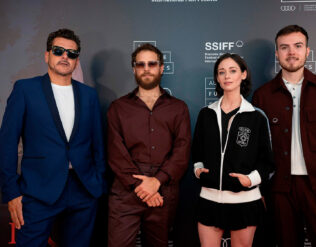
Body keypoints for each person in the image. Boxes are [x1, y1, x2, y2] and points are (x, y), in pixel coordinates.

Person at [0, 28, 105, 246]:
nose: (65, 56)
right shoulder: (25, 89)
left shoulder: (89, 96)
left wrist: (98, 182)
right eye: (59, 51)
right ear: (47, 55)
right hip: (37, 190)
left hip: (83, 189)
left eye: (71, 53)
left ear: (76, 61)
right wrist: (11, 193)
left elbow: (98, 144)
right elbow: (7, 143)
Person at [252, 25, 316, 247]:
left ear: (307, 51)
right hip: (280, 190)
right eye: (284, 47)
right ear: (277, 54)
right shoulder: (263, 96)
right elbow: (255, 148)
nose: (291, 52)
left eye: (298, 46)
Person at [107, 43, 191, 247]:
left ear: (161, 68)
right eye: (141, 64)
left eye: (152, 64)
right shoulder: (118, 107)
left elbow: (182, 151)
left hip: (163, 192)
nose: (146, 68)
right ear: (134, 69)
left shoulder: (178, 108)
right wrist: (142, 186)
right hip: (126, 191)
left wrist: (157, 182)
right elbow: (115, 152)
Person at [192, 53, 274, 247]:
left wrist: (250, 180)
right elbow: (196, 154)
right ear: (217, 78)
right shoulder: (206, 114)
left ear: (243, 75)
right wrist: (198, 170)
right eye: (221, 72)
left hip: (244, 202)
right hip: (209, 200)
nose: (227, 76)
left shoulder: (256, 117)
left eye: (233, 70)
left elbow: (267, 162)